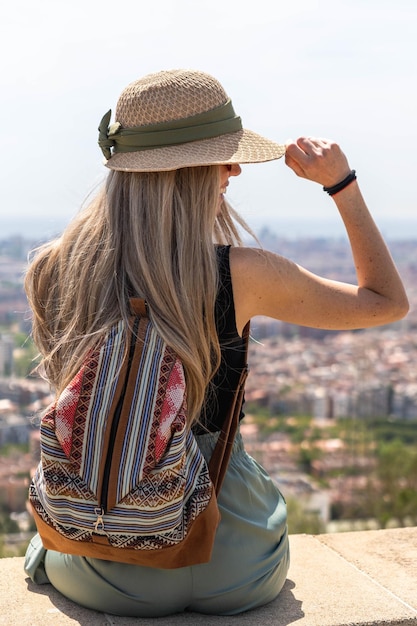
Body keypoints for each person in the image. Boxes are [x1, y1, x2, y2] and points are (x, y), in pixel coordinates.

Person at [24, 69, 408, 617]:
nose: (233, 170)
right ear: (188, 172)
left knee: (45, 544)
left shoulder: (56, 267)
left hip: (109, 565)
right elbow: (386, 302)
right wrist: (342, 184)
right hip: (236, 562)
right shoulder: (243, 273)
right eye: (222, 157)